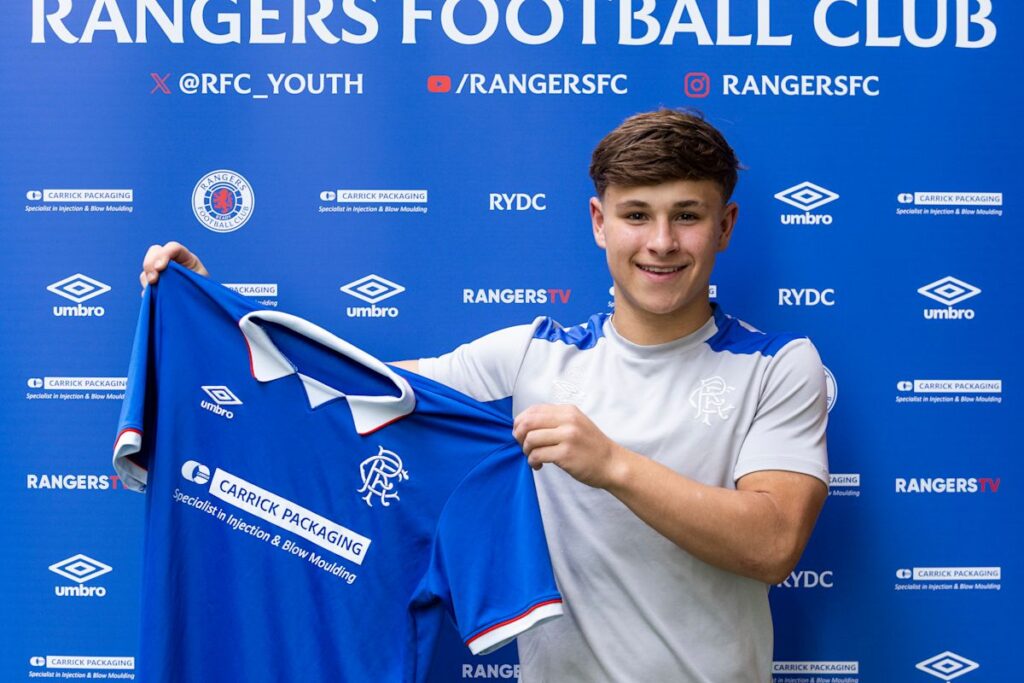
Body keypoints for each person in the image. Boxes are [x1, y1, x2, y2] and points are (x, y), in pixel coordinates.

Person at [140, 109, 828, 682]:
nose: (660, 242)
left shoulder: (777, 365)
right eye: (636, 215)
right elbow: (339, 396)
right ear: (598, 221)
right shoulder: (531, 354)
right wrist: (214, 319)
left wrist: (611, 464)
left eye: (687, 216)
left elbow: (772, 542)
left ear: (726, 225)